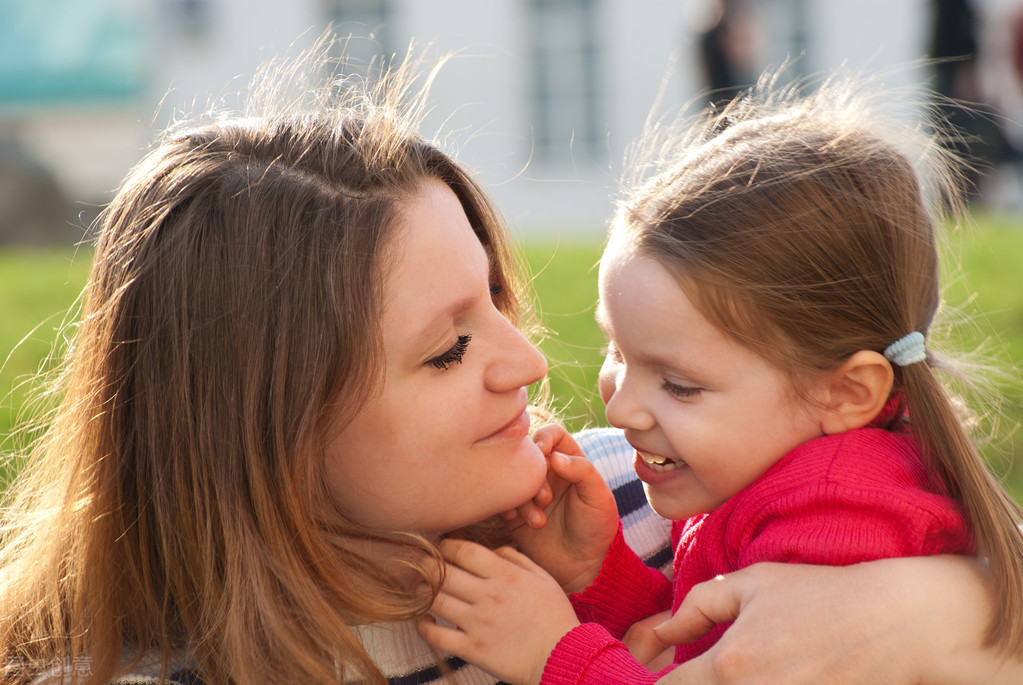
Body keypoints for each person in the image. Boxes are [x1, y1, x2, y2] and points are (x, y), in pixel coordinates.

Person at [0, 39, 1017, 685]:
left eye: (494, 296)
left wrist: (930, 612)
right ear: (263, 425)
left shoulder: (644, 485)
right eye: (448, 348)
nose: (530, 360)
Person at [418, 71, 1023, 684]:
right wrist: (597, 575)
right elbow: (703, 646)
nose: (622, 408)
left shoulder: (838, 521)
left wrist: (554, 655)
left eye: (679, 385)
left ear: (845, 393)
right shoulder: (776, 467)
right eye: (617, 350)